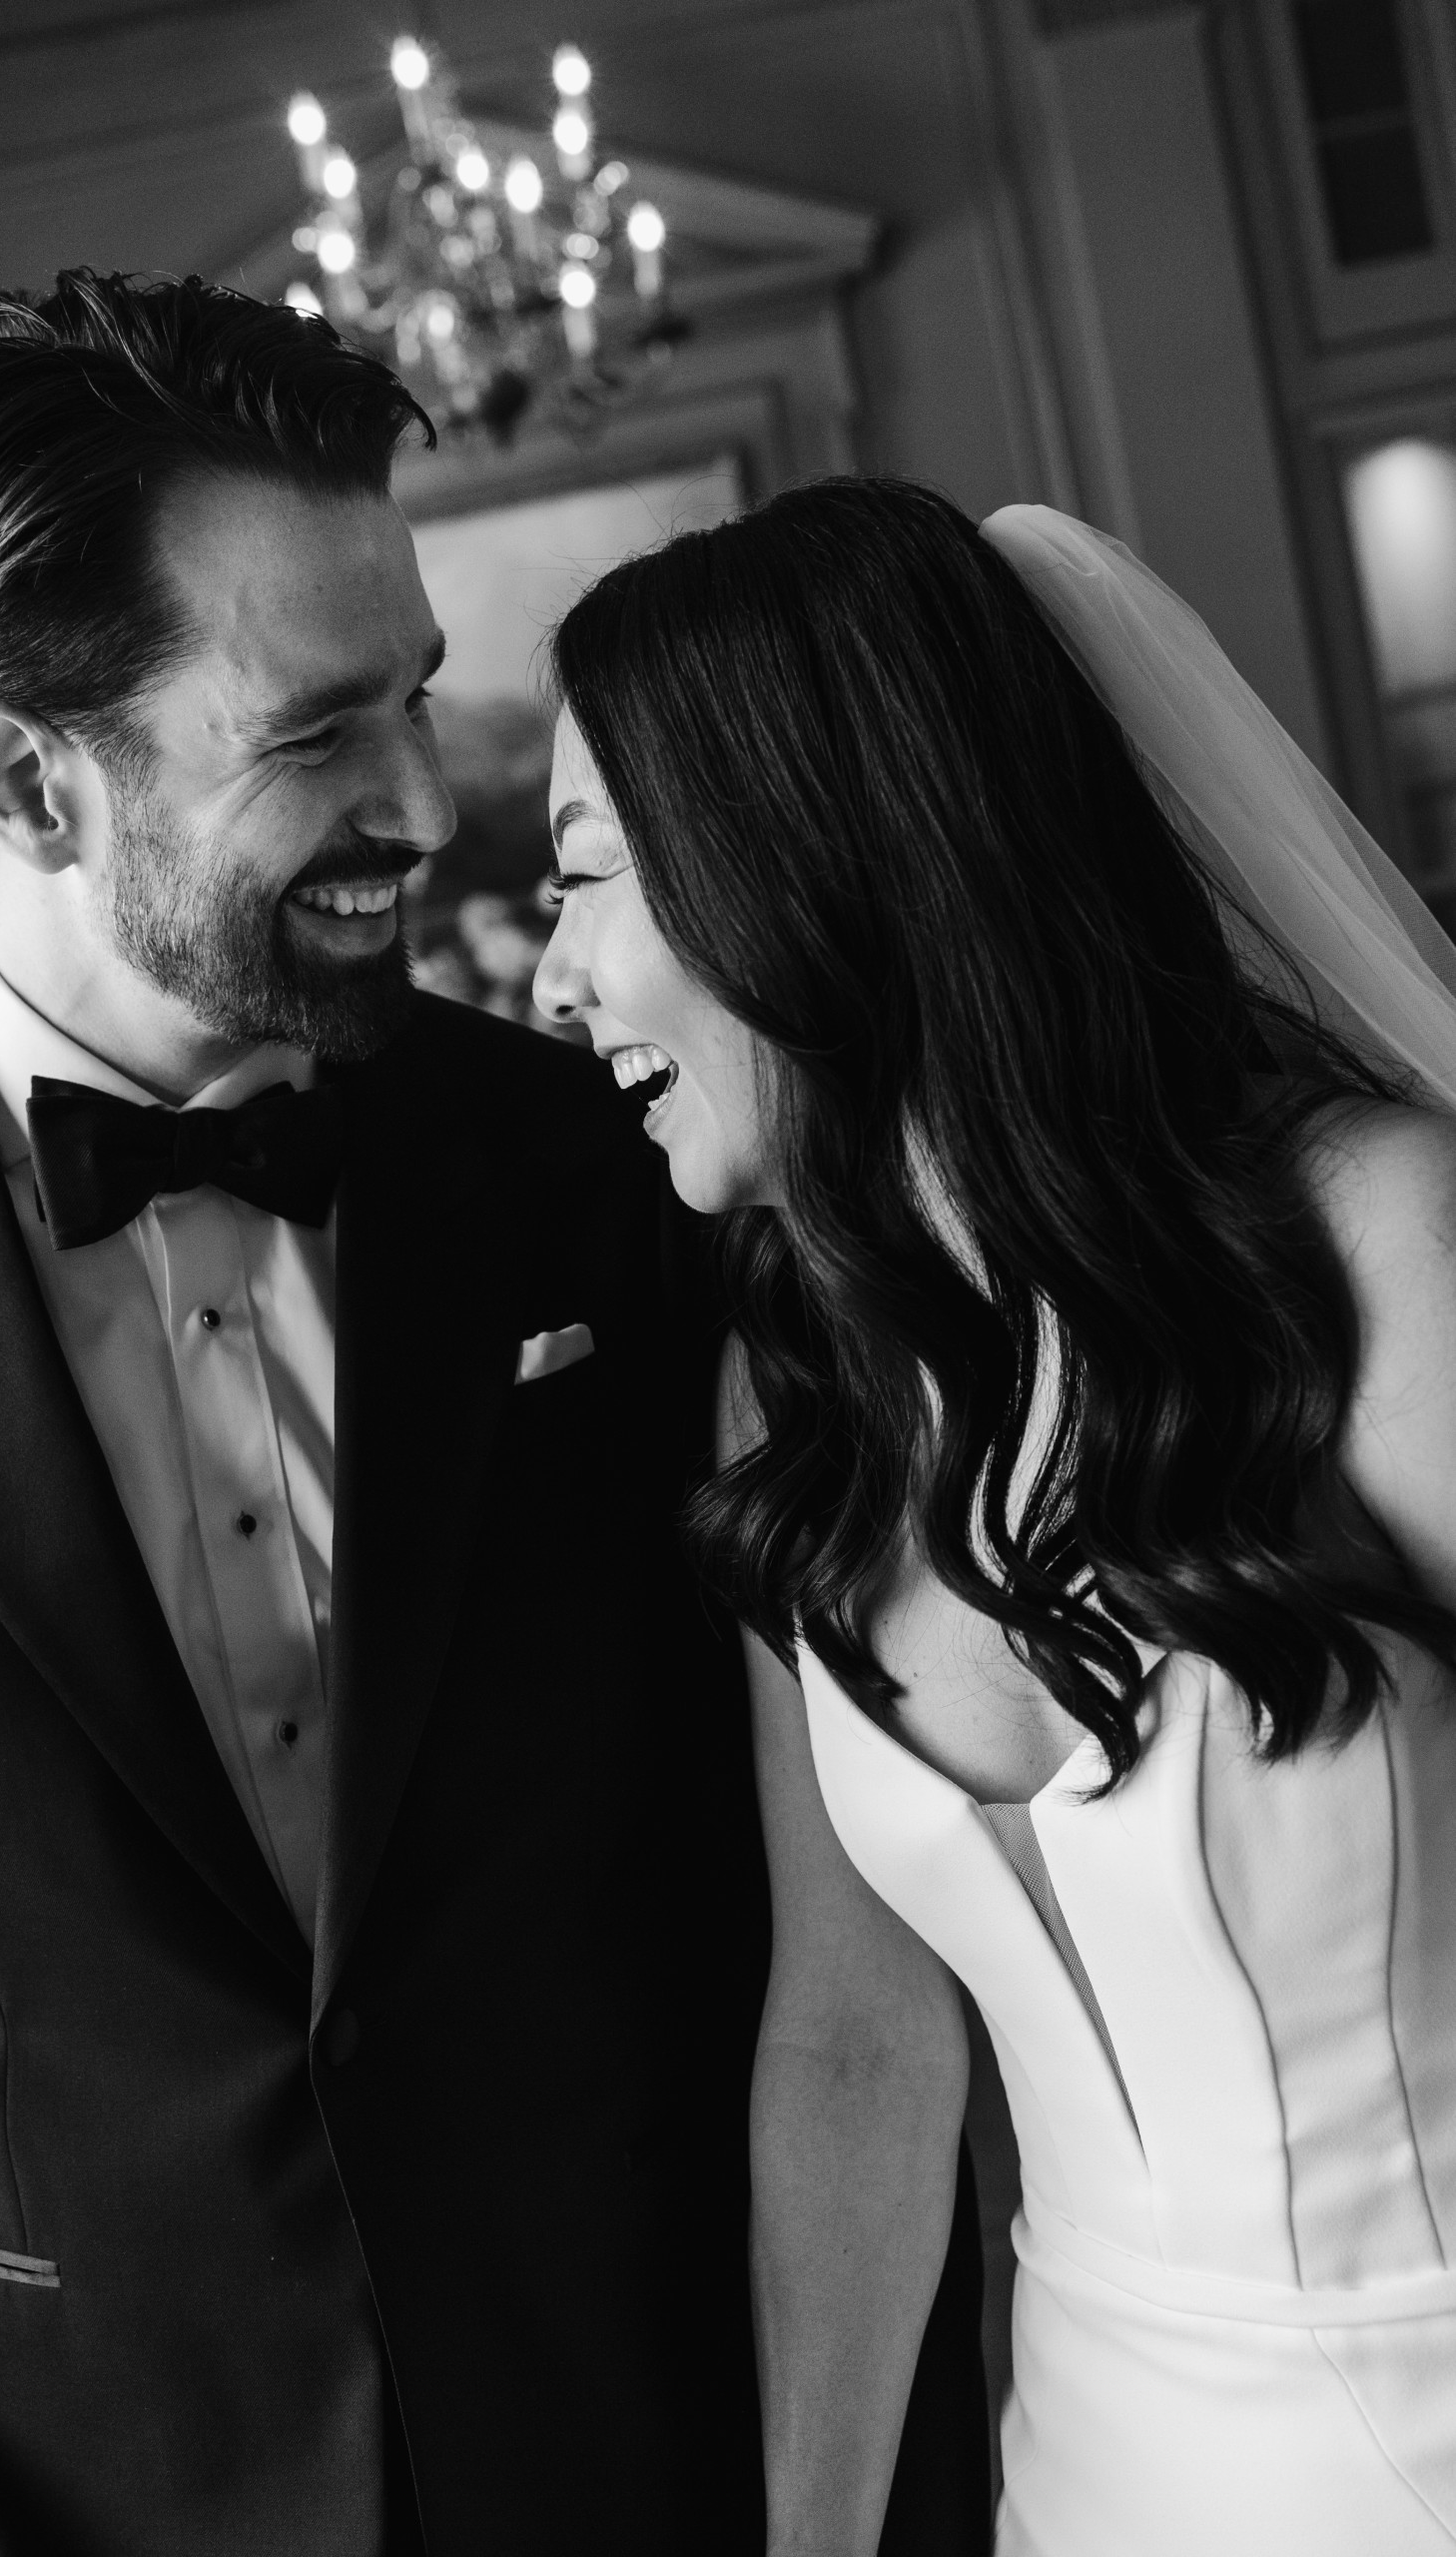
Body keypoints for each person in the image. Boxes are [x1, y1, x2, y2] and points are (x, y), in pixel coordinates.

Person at [0, 286, 990, 2552]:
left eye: (415, 692)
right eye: (314, 730)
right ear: (21, 780)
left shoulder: (606, 1160)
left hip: (656, 2455)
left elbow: (830, 1932)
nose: (427, 800)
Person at [532, 474, 1456, 2556]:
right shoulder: (795, 1391)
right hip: (1089, 2459)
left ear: (786, 860)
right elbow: (853, 2036)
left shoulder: (1383, 1246)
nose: (549, 978)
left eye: (585, 877)